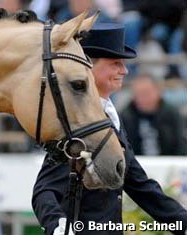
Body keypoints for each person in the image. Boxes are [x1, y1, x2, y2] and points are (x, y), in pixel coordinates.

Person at [32, 23, 187, 235]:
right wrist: (58, 226)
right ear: (88, 65)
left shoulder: (113, 115)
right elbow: (45, 189)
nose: (124, 70)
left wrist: (182, 223)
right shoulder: (76, 123)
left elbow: (138, 184)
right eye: (116, 63)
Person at [120, 74, 187, 155]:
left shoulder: (172, 114)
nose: (142, 98)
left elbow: (180, 145)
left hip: (168, 163)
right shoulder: (125, 116)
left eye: (146, 93)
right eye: (138, 94)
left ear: (158, 91)